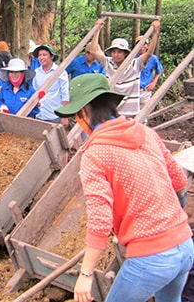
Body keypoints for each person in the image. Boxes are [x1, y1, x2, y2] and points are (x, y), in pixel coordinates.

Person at [54, 73, 193, 302]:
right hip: (185, 245)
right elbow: (178, 181)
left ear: (85, 111)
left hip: (151, 258)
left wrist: (86, 274)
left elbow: (100, 219)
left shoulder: (95, 153)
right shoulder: (146, 133)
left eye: (77, 115)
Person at [87, 19, 160, 118]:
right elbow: (93, 50)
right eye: (114, 52)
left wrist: (155, 33)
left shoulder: (135, 64)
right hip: (114, 112)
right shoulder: (108, 63)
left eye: (119, 52)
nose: (116, 55)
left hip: (131, 113)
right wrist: (97, 30)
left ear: (125, 53)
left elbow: (149, 53)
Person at [31, 43, 69, 127]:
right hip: (39, 115)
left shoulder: (60, 72)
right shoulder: (36, 73)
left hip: (55, 115)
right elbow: (33, 92)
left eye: (44, 55)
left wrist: (65, 116)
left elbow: (65, 95)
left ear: (51, 57)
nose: (41, 57)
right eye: (39, 55)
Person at [135, 35, 164, 109]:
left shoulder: (153, 58)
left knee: (143, 115)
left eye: (143, 44)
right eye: (139, 44)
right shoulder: (131, 58)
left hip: (145, 90)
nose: (141, 47)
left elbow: (160, 70)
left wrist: (154, 82)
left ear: (147, 46)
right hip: (132, 90)